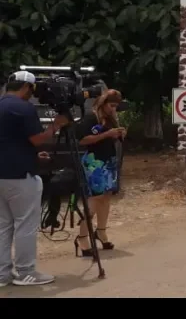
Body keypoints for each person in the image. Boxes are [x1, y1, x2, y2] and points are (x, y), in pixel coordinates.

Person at [0, 71, 70, 287]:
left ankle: (2, 275)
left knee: (4, 225)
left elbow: (10, 140)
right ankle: (25, 272)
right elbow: (38, 139)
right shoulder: (23, 107)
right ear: (27, 88)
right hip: (20, 175)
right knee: (25, 225)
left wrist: (30, 154)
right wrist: (56, 125)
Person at [74, 90, 126, 258]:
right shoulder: (91, 117)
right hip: (94, 162)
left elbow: (110, 137)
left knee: (106, 197)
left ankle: (101, 231)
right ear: (103, 103)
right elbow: (82, 139)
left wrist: (118, 134)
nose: (113, 109)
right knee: (94, 199)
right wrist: (107, 134)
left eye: (116, 106)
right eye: (111, 105)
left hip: (108, 160)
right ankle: (82, 236)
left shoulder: (110, 118)